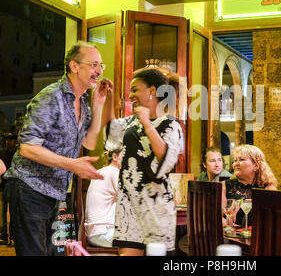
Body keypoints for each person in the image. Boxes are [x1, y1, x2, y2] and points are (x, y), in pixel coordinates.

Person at [4, 41, 113, 256]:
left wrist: (99, 103)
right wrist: (72, 164)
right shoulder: (50, 97)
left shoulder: (83, 103)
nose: (99, 71)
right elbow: (27, 148)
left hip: (54, 193)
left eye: (101, 65)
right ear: (74, 66)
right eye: (93, 65)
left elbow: (89, 143)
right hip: (29, 188)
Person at [106, 68, 183, 256]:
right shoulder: (131, 122)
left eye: (134, 89)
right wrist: (107, 100)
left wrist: (147, 123)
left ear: (152, 91)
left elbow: (166, 161)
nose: (131, 95)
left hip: (156, 208)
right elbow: (110, 138)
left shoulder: (171, 124)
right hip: (128, 205)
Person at [222, 144, 278, 226]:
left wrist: (241, 202)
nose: (235, 164)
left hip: (257, 236)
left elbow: (271, 219)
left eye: (241, 160)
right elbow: (216, 216)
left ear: (256, 165)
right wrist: (226, 223)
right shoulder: (225, 185)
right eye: (234, 160)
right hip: (230, 236)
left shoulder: (268, 187)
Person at [84, 148, 122, 248]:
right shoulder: (114, 172)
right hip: (104, 233)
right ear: (115, 157)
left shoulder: (100, 171)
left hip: (93, 234)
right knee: (145, 237)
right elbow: (128, 199)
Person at [0, 133, 18, 245]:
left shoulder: (18, 153)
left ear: (15, 141)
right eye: (7, 139)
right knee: (1, 212)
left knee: (13, 212)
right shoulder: (1, 153)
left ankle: (12, 236)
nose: (8, 142)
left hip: (13, 186)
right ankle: (3, 236)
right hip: (2, 186)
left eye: (10, 139)